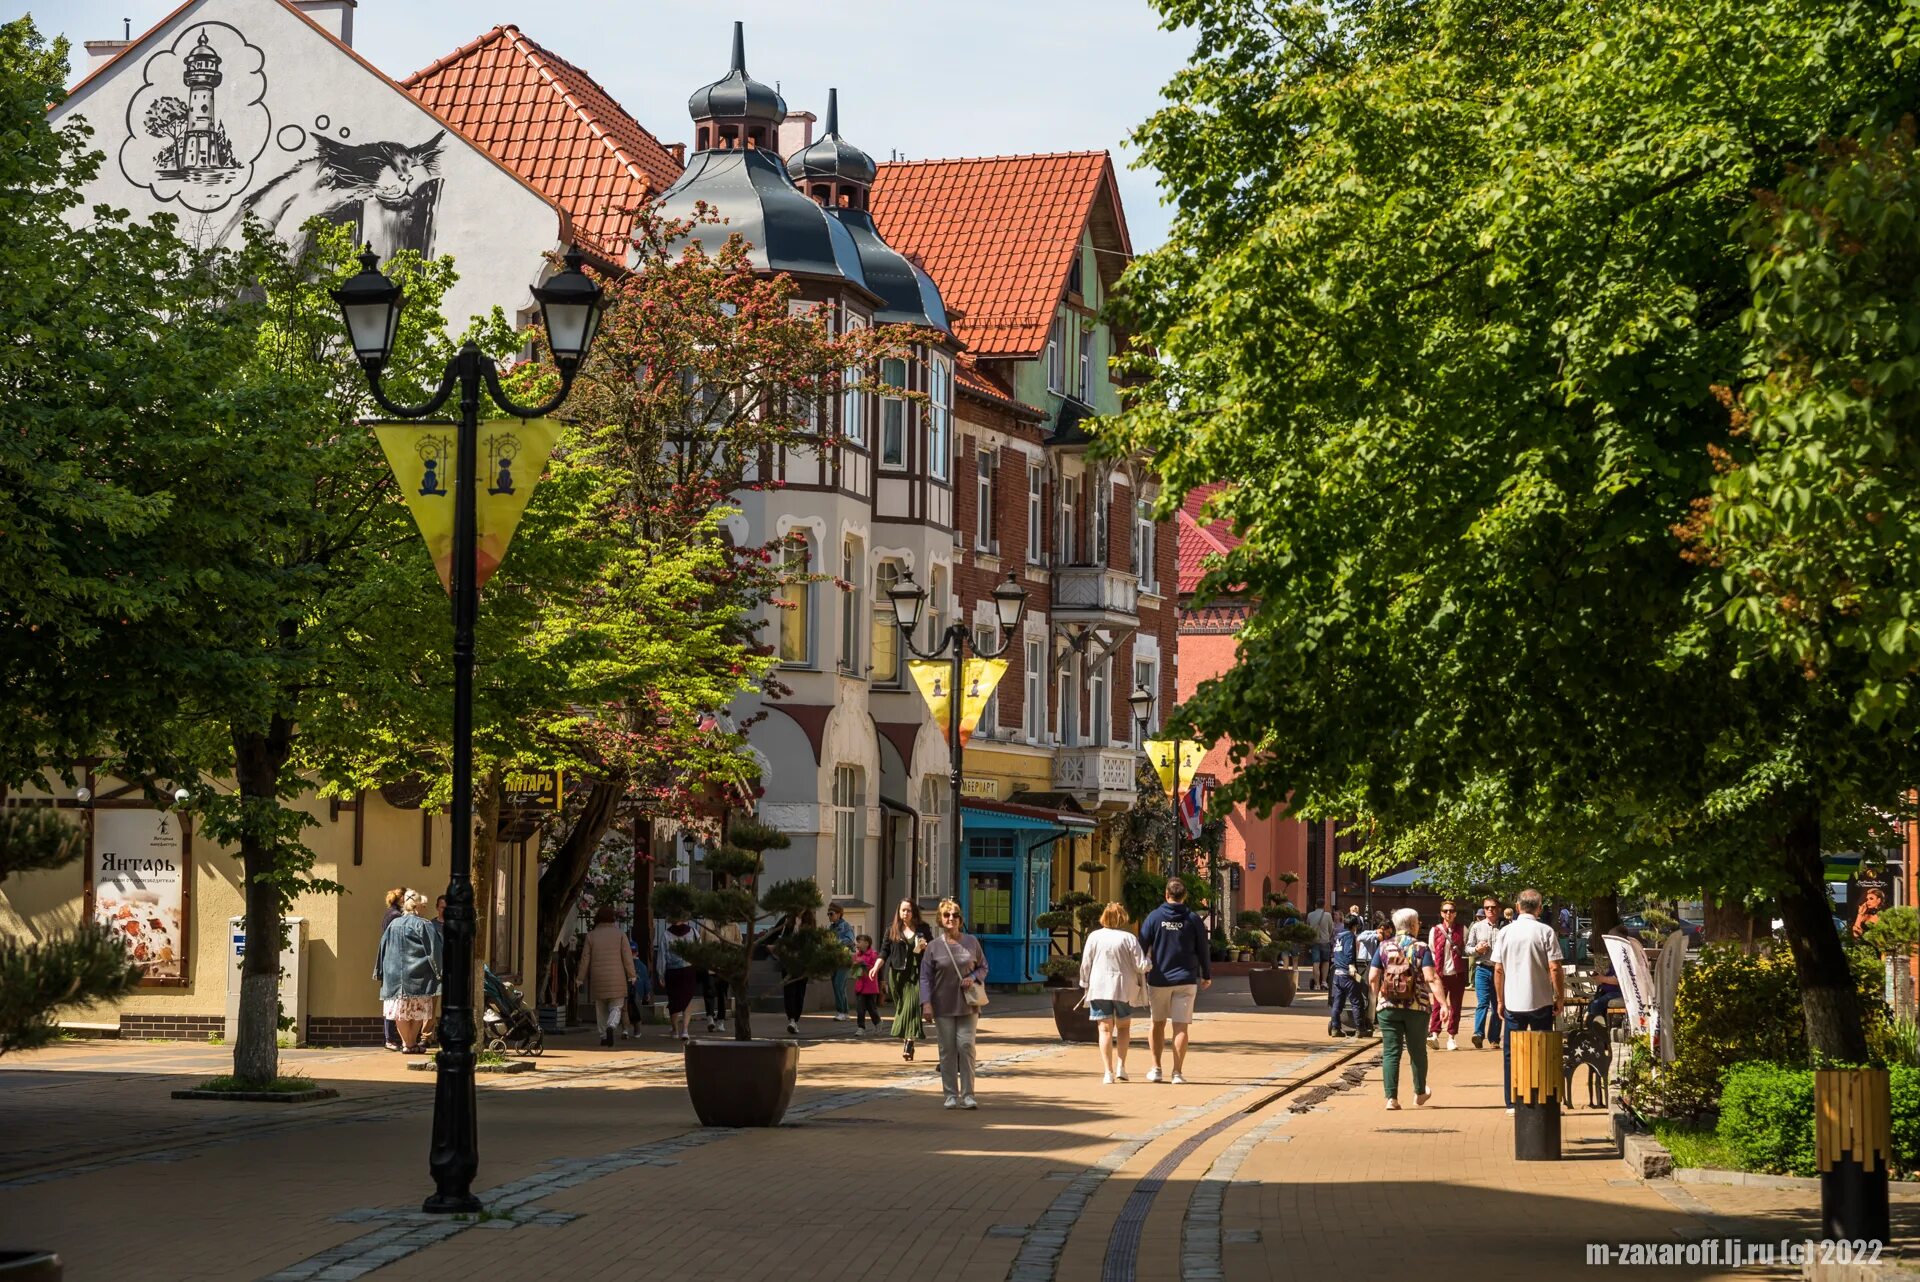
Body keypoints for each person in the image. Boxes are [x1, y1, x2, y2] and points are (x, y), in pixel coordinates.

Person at [1493, 888, 1566, 1113]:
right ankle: (1541, 1095)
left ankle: (1512, 1101)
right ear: (1539, 908)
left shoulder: (1505, 932)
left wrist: (1500, 1000)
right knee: (1543, 1048)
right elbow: (1555, 967)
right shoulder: (1545, 931)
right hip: (1541, 1000)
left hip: (1514, 1001)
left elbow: (1498, 969)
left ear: (1517, 907)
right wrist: (1560, 996)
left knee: (1511, 1052)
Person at [1369, 906, 1445, 1109]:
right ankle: (1420, 1092)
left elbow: (1373, 977)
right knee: (1417, 1050)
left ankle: (1391, 1098)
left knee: (1391, 1052)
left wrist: (1379, 999)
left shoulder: (1384, 946)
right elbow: (1431, 977)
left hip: (1388, 1007)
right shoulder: (1421, 947)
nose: (1419, 925)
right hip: (1417, 1007)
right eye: (1418, 922)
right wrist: (1443, 1003)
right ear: (1412, 925)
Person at [1139, 877, 1212, 1084]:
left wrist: (1139, 971)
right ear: (1184, 896)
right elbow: (1203, 949)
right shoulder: (1192, 919)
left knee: (1157, 1023)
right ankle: (1177, 1073)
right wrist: (1206, 974)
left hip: (1159, 979)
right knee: (1181, 1027)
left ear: (1166, 894)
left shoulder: (1154, 917)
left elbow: (1141, 946)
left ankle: (1156, 1068)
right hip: (1186, 979)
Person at [920, 897, 988, 1109]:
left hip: (968, 1003)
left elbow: (984, 966)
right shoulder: (933, 947)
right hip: (942, 1004)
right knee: (947, 1049)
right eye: (947, 915)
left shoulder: (972, 942)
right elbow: (925, 977)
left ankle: (968, 1094)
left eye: (955, 915)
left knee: (966, 1045)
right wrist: (926, 1003)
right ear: (940, 919)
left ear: (960, 919)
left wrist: (974, 977)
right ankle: (950, 1094)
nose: (951, 919)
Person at [1079, 902, 1152, 1083]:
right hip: (1123, 988)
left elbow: (1086, 963)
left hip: (1100, 987)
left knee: (1104, 1029)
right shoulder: (1129, 938)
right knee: (1123, 1027)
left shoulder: (1094, 937)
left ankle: (1107, 1072)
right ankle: (1121, 1065)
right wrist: (1150, 960)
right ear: (1123, 918)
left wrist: (1084, 982)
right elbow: (1141, 965)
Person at [376, 890, 443, 1054]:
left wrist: (380, 971)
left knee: (401, 1013)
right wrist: (440, 973)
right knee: (418, 1012)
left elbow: (382, 948)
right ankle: (411, 1044)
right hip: (419, 976)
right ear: (419, 905)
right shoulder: (424, 924)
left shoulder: (393, 925)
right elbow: (433, 951)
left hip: (394, 977)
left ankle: (408, 1044)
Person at [577, 905, 637, 1046]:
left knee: (601, 1008)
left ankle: (604, 1035)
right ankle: (612, 1025)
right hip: (617, 977)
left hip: (598, 978)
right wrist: (632, 975)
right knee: (616, 1006)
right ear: (613, 918)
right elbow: (627, 958)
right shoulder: (620, 935)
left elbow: (585, 959)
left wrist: (580, 978)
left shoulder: (591, 936)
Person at [882, 899, 931, 1060]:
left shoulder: (923, 928)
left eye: (909, 910)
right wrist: (876, 968)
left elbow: (931, 949)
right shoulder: (892, 930)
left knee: (912, 1006)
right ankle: (908, 1040)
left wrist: (925, 946)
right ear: (899, 912)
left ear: (914, 912)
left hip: (916, 973)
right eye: (903, 910)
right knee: (902, 1009)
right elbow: (884, 952)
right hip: (897, 975)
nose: (906, 913)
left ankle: (909, 1042)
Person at [1427, 900, 1468, 1050]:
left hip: (1457, 974)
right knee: (1437, 1005)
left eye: (1451, 910)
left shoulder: (1462, 929)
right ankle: (1434, 1034)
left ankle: (1451, 1037)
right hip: (1441, 974)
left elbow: (1465, 948)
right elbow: (1432, 950)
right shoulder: (1435, 930)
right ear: (1441, 913)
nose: (1448, 913)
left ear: (1455, 913)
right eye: (1445, 911)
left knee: (1456, 1007)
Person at [656, 909, 700, 1041]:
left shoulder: (666, 934)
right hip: (688, 969)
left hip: (672, 971)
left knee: (674, 1000)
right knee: (687, 999)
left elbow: (662, 955)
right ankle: (685, 1030)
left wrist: (661, 974)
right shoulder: (692, 932)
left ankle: (675, 1029)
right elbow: (699, 949)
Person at [1467, 897, 1502, 1049]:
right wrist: (1477, 950)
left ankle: (1494, 1039)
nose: (1490, 910)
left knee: (1498, 1005)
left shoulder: (1505, 927)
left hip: (1499, 971)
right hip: (1482, 968)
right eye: (1487, 907)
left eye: (1493, 907)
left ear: (1498, 909)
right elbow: (1468, 948)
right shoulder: (1477, 927)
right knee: (1482, 1002)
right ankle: (1478, 1034)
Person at [1327, 915, 1367, 1038]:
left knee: (1338, 1003)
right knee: (1356, 1001)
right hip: (1347, 973)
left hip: (1337, 973)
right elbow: (1349, 952)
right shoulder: (1350, 936)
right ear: (1354, 926)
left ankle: (1335, 1027)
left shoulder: (1338, 936)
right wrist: (1351, 965)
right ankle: (1360, 1028)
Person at [379, 887, 406, 1051]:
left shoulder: (390, 914)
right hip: (393, 962)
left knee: (392, 1000)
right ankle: (390, 1038)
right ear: (401, 899)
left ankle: (391, 1037)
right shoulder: (395, 916)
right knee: (393, 1000)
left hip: (389, 961)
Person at [826, 904, 856, 1022]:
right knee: (837, 985)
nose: (829, 916)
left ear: (838, 914)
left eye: (831, 914)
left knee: (839, 984)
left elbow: (850, 939)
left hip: (844, 958)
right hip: (834, 959)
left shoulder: (845, 926)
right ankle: (845, 1011)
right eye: (828, 914)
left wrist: (835, 942)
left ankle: (841, 1011)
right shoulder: (831, 927)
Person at [1353, 915, 1380, 1035]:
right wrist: (1375, 935)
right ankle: (1364, 1020)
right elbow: (1360, 938)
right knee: (1363, 990)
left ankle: (1372, 1019)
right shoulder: (1368, 933)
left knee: (1372, 993)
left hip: (1374, 967)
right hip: (1363, 965)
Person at [852, 934, 882, 1035]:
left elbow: (874, 968)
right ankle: (861, 1027)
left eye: (860, 941)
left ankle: (877, 1023)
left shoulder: (873, 954)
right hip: (860, 987)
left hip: (870, 987)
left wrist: (864, 964)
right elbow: (853, 969)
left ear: (867, 943)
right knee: (860, 1009)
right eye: (857, 942)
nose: (858, 944)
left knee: (871, 1008)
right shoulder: (857, 955)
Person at [1305, 898, 1334, 991]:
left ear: (1315, 905)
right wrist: (1327, 937)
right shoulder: (1328, 915)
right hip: (1325, 941)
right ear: (1324, 905)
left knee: (1315, 962)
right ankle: (1324, 982)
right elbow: (1331, 928)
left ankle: (1317, 984)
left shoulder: (1310, 915)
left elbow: (1307, 928)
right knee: (1325, 962)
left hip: (1314, 941)